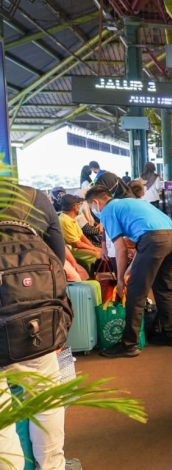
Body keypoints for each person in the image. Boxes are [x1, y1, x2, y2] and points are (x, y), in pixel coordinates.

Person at [0, 183, 71, 470]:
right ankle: (53, 466)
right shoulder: (34, 197)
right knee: (46, 401)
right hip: (35, 325)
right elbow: (58, 257)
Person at [85, 185, 172, 357]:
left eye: (91, 207)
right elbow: (141, 245)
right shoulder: (129, 203)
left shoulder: (108, 211)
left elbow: (121, 249)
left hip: (154, 240)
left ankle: (129, 344)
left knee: (135, 294)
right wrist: (130, 269)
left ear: (95, 202)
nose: (93, 210)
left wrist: (121, 279)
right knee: (163, 289)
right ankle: (171, 335)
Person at [59, 194, 102, 274]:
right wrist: (94, 249)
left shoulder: (71, 218)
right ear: (75, 206)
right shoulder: (64, 220)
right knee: (98, 254)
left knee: (101, 251)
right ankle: (91, 276)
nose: (80, 207)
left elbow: (82, 236)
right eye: (79, 204)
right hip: (72, 251)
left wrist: (93, 247)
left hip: (77, 247)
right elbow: (76, 244)